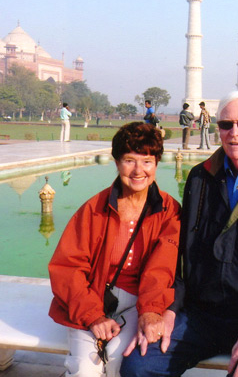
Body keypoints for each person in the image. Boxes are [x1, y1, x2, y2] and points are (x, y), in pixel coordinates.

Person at [121, 91, 238, 377]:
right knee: (140, 365)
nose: (234, 133)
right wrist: (171, 308)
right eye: (226, 125)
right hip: (203, 314)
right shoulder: (201, 176)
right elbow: (180, 252)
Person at [48, 122, 181, 377]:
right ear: (117, 162)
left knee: (124, 363)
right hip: (92, 297)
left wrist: (151, 311)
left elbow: (162, 268)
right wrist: (93, 316)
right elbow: (68, 267)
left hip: (138, 303)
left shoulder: (168, 211)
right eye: (129, 161)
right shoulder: (95, 208)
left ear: (157, 163)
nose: (138, 170)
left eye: (147, 161)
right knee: (85, 370)